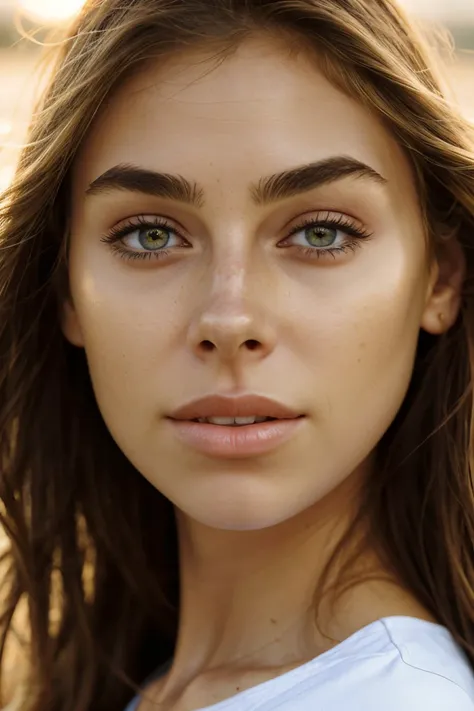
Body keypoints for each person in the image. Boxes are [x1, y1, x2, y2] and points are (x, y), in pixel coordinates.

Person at [1, 0, 474, 708]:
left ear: (439, 277)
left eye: (319, 233)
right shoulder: (132, 683)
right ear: (65, 287)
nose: (229, 318)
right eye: (150, 235)